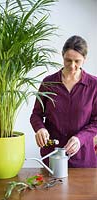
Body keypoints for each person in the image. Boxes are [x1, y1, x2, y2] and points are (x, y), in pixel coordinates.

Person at [30, 35, 97, 167]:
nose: (72, 66)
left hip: (83, 159)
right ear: (62, 56)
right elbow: (36, 115)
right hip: (52, 156)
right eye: (68, 60)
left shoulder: (94, 85)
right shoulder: (48, 83)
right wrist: (40, 129)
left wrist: (80, 138)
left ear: (85, 59)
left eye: (77, 61)